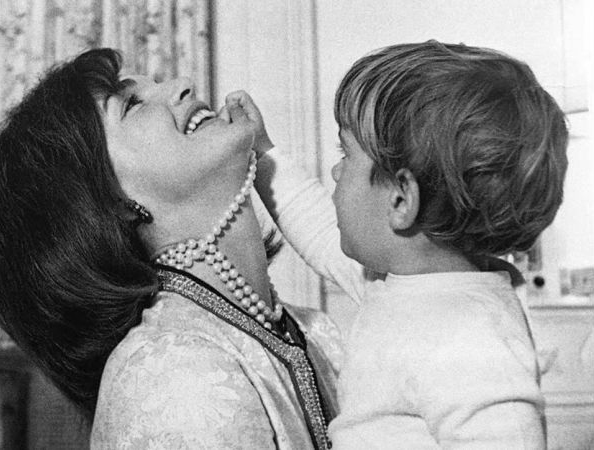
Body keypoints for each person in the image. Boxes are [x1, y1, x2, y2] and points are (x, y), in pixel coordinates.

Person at [0, 48, 342, 449]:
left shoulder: (316, 333)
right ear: (104, 202)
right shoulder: (170, 375)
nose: (184, 86)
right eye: (132, 104)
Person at [243, 40, 568, 448]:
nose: (335, 170)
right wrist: (263, 153)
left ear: (401, 199)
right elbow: (321, 231)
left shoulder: (469, 335)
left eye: (348, 154)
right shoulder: (399, 278)